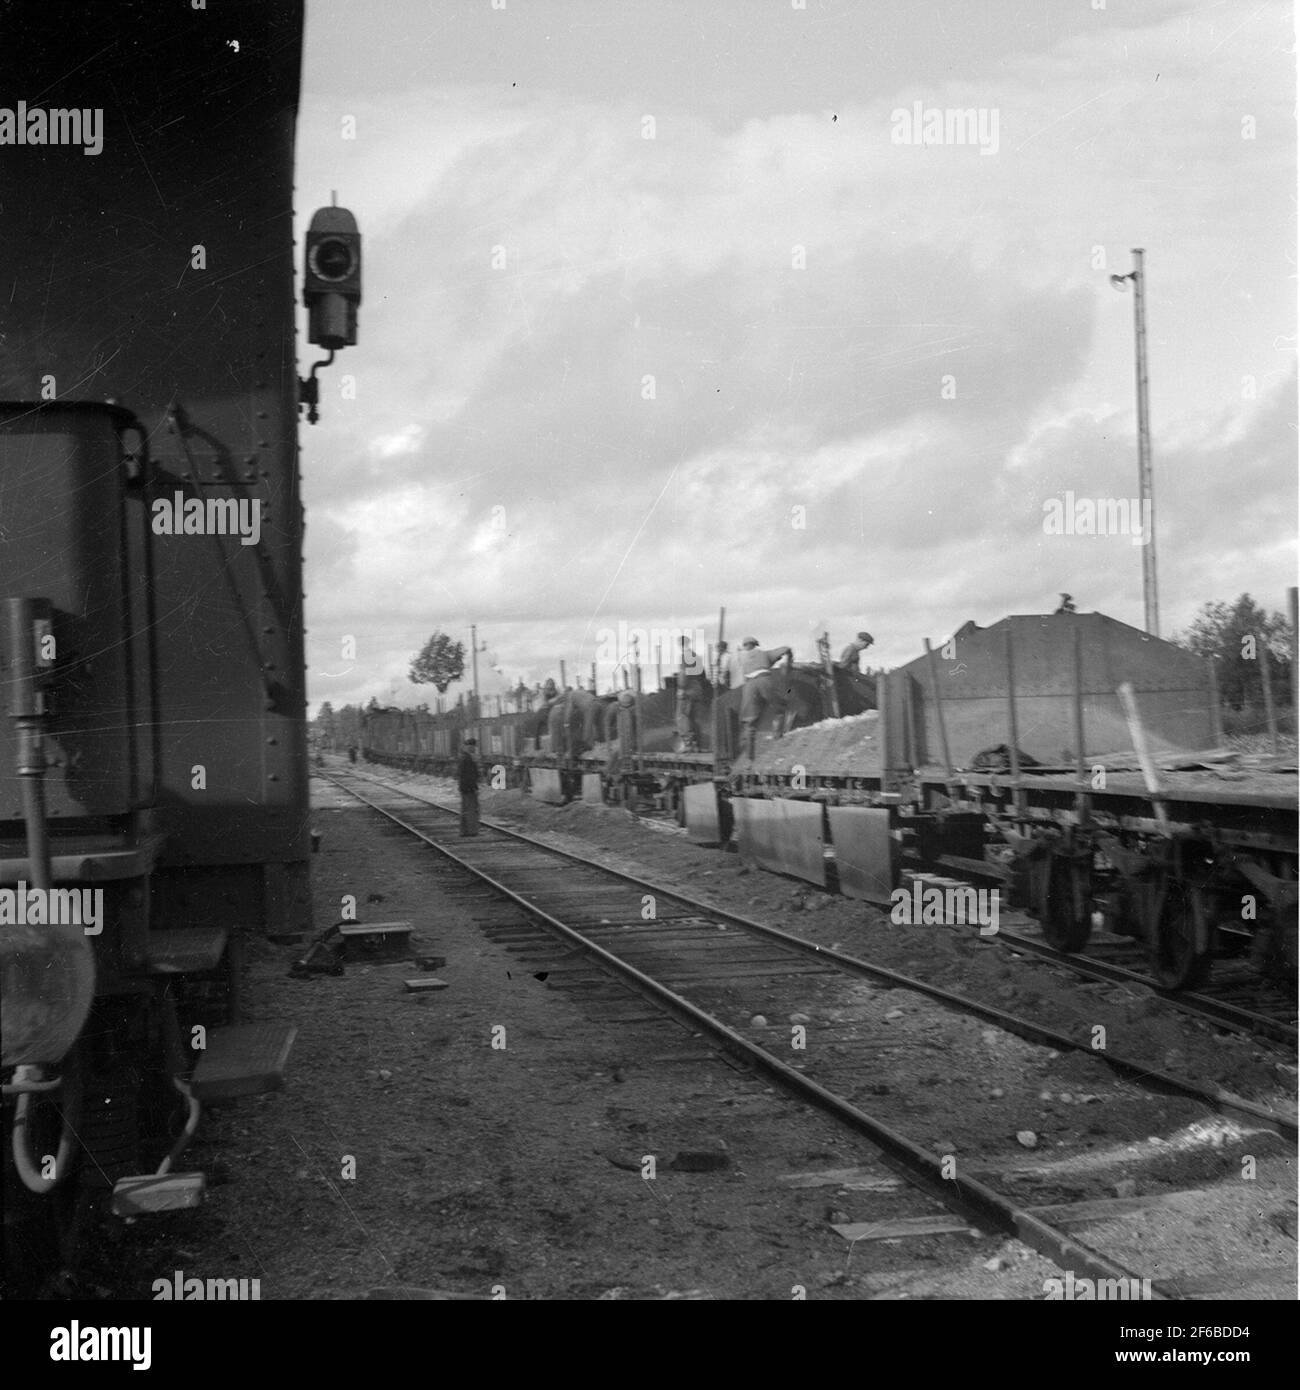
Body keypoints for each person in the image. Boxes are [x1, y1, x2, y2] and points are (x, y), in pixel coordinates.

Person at [737, 637, 794, 761]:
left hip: (749, 686)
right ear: (756, 645)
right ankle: (777, 735)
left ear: (745, 646)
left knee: (750, 722)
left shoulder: (741, 658)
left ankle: (749, 758)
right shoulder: (764, 654)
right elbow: (785, 648)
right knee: (779, 707)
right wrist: (789, 661)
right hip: (764, 681)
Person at [674, 636, 706, 751]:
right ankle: (697, 744)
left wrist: (681, 688)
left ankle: (688, 744)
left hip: (687, 689)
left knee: (682, 716)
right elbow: (703, 674)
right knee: (694, 718)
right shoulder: (696, 656)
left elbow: (683, 674)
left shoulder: (684, 656)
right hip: (697, 688)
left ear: (679, 644)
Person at [458, 736, 480, 836]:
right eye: (473, 746)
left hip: (464, 788)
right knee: (471, 810)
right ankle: (471, 831)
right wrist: (474, 788)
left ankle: (464, 831)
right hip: (469, 789)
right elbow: (470, 776)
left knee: (465, 810)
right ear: (470, 747)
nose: (474, 748)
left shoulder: (464, 757)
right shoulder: (468, 759)